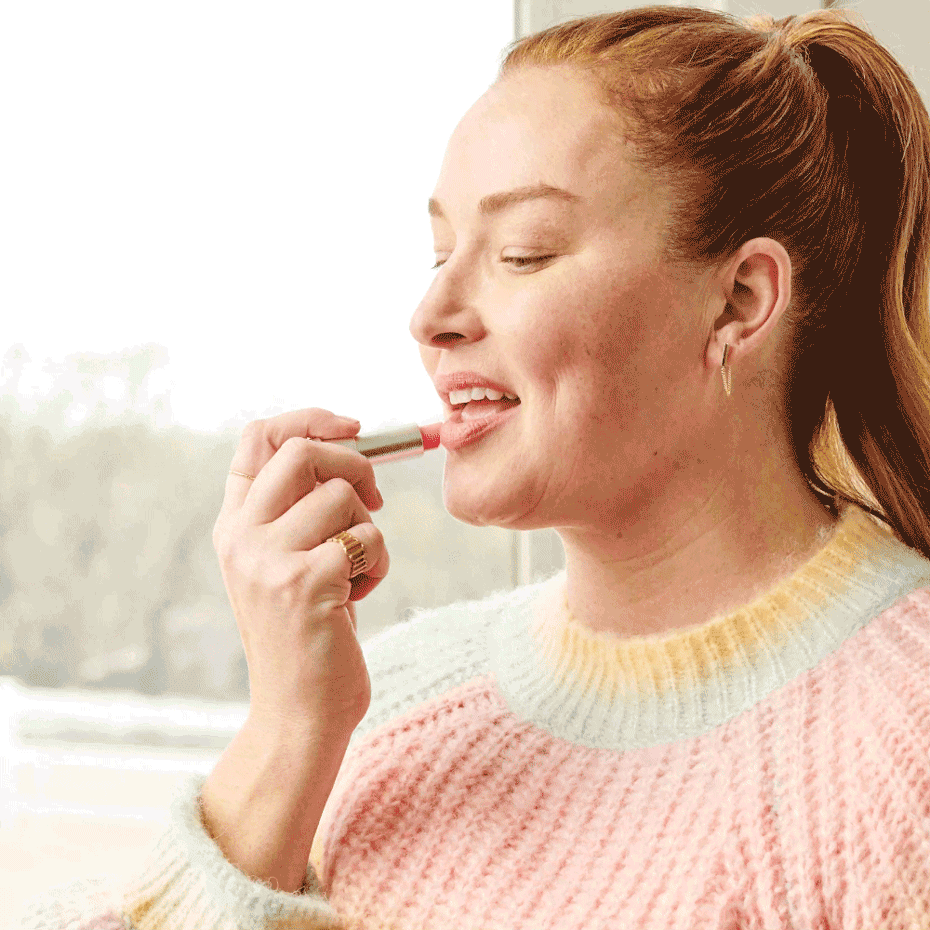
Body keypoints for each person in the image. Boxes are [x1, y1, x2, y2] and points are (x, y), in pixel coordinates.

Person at [16, 4, 930, 929]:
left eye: (522, 254)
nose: (431, 316)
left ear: (739, 299)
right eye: (440, 254)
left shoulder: (906, 742)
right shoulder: (387, 714)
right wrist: (288, 731)